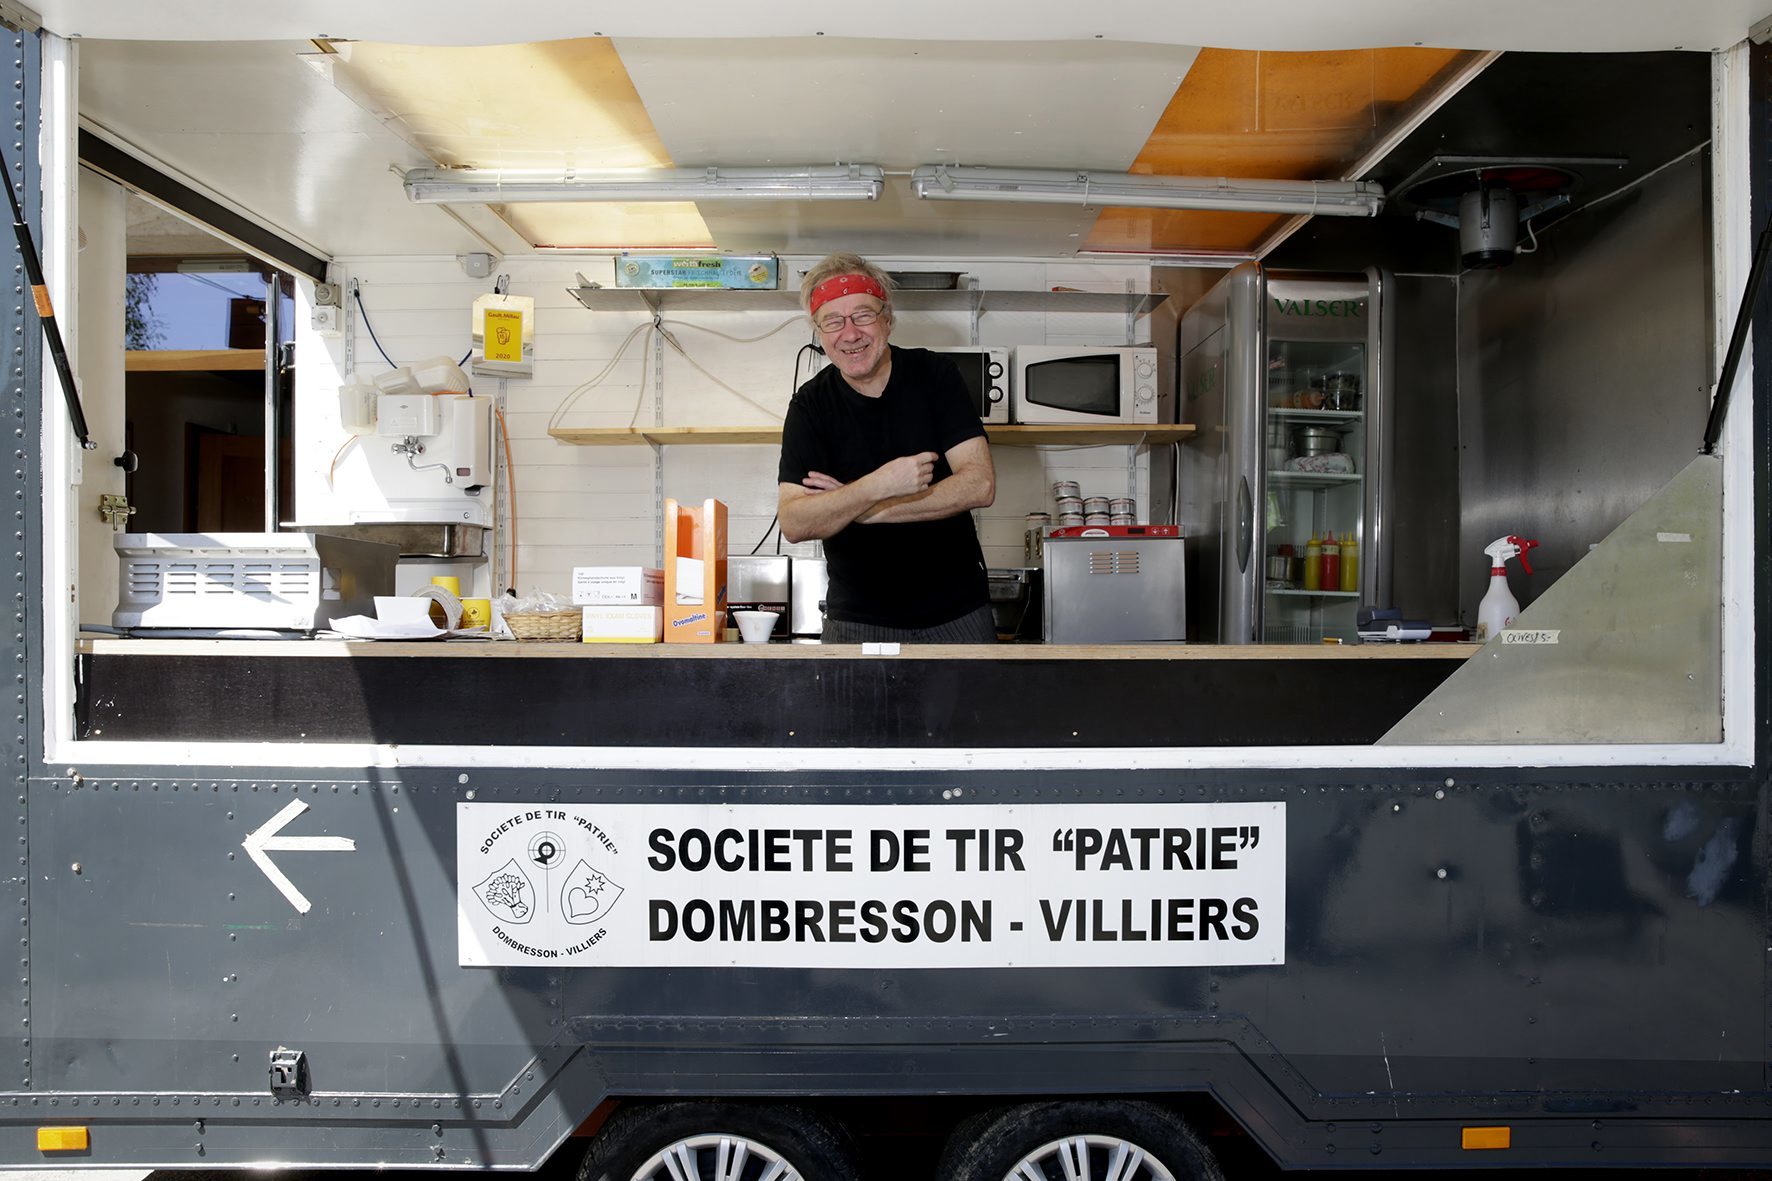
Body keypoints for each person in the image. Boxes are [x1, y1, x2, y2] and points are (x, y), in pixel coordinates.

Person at [777, 253, 997, 643]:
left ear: (887, 319)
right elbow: (795, 522)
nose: (850, 333)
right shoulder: (810, 406)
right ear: (819, 332)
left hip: (957, 613)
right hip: (855, 619)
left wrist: (865, 512)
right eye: (833, 320)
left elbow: (979, 484)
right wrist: (876, 486)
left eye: (862, 315)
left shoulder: (936, 377)